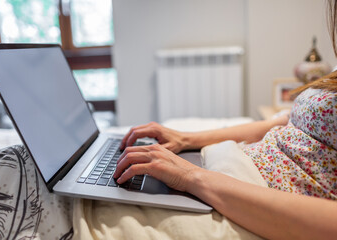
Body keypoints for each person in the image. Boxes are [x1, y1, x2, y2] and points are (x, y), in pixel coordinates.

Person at [114, 1, 337, 239]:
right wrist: (184, 139)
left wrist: (189, 176)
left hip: (256, 207)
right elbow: (278, 124)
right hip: (229, 173)